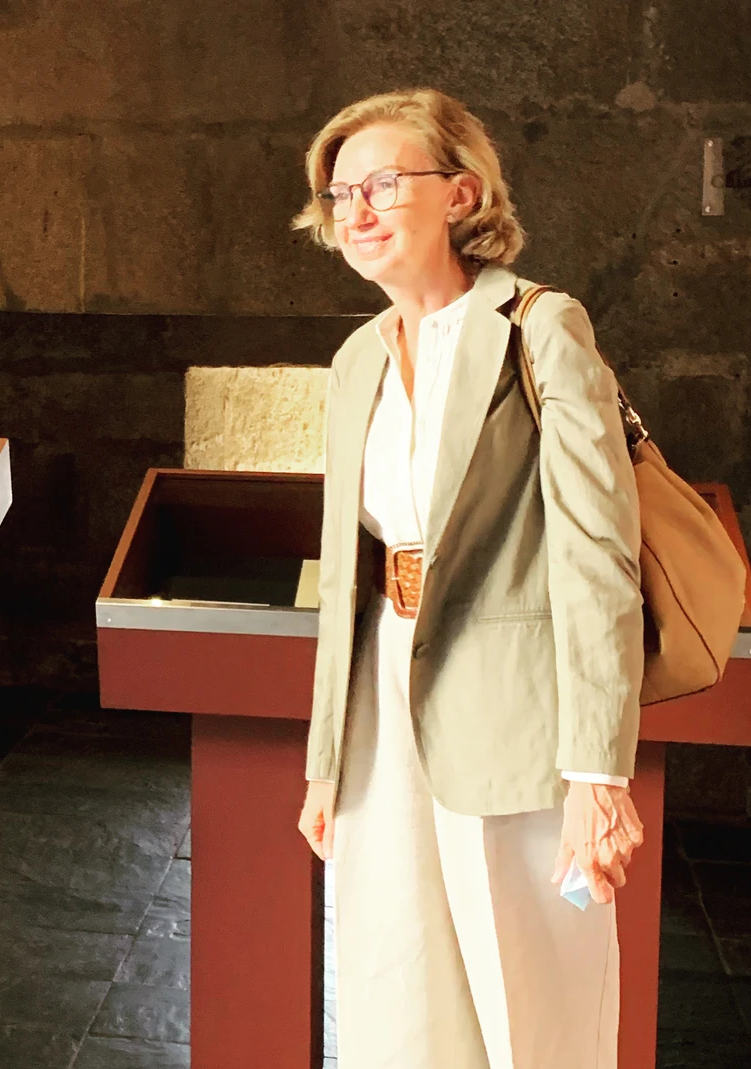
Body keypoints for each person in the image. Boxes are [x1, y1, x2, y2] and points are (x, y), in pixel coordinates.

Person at [291, 89, 646, 1069]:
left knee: (533, 996)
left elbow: (596, 554)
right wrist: (327, 757)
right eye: (339, 193)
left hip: (519, 706)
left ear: (459, 193)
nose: (355, 210)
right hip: (381, 699)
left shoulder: (539, 328)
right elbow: (345, 580)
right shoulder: (355, 359)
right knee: (393, 984)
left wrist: (595, 773)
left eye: (382, 184)